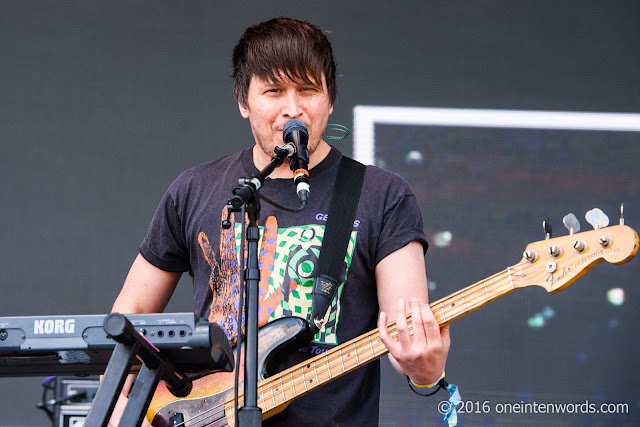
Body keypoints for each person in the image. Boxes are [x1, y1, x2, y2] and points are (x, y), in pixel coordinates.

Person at [112, 17, 450, 426]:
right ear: (243, 100)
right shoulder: (194, 188)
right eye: (273, 91)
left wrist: (425, 369)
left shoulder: (383, 196)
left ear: (330, 98)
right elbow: (130, 318)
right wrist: (125, 408)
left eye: (308, 90)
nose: (293, 109)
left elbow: (408, 330)